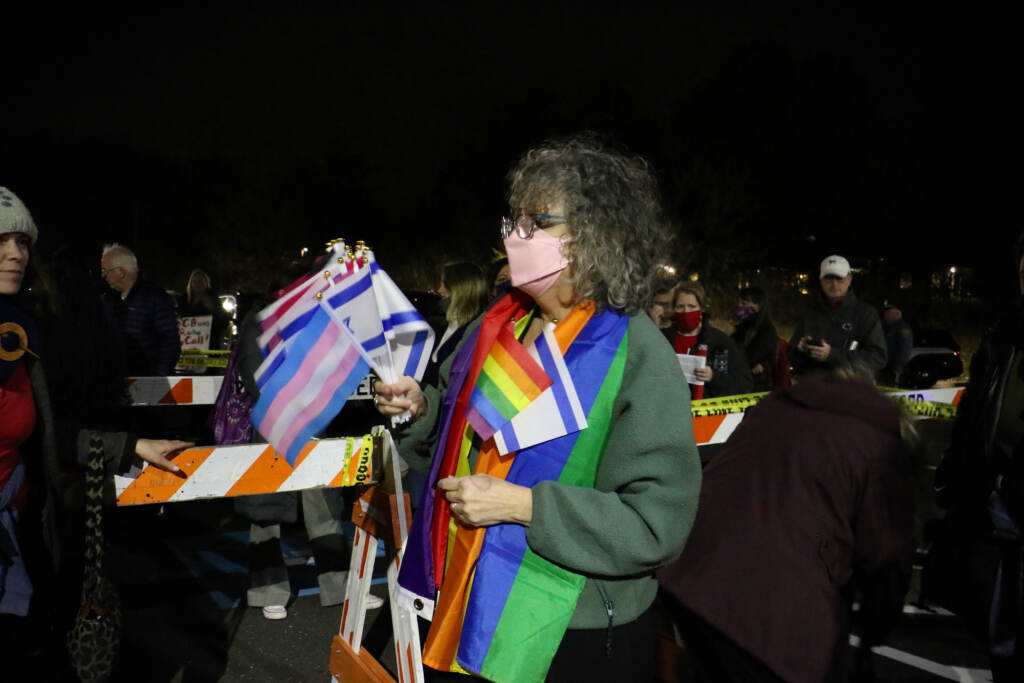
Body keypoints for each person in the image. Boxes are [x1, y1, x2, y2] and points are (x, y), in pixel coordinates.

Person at [374, 135, 701, 682]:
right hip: (463, 598)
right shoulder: (498, 327)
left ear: (592, 239)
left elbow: (655, 525)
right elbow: (459, 441)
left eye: (535, 223)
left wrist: (524, 507)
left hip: (571, 628)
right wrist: (418, 409)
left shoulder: (638, 352)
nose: (512, 236)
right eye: (513, 221)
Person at [1, 187, 189, 672]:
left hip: (18, 528)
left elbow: (49, 431)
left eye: (22, 241)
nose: (16, 253)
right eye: (1, 240)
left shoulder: (20, 336)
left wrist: (132, 444)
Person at [658, 369, 916, 682]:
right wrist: (877, 626)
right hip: (771, 619)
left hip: (686, 572)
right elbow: (886, 558)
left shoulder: (775, 407)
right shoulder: (881, 448)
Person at [926, 234, 1024, 681]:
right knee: (999, 611)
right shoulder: (1004, 334)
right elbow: (977, 409)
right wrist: (957, 465)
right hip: (1000, 489)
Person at [788, 255, 886, 378]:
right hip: (814, 390)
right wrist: (800, 350)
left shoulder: (865, 313)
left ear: (849, 280)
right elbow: (791, 356)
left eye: (839, 279)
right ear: (821, 281)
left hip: (852, 391)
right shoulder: (809, 313)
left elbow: (878, 358)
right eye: (828, 279)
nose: (834, 285)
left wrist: (832, 355)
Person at [100, 243, 181, 376]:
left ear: (120, 272)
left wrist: (155, 380)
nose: (103, 276)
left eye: (105, 271)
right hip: (116, 384)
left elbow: (170, 342)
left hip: (149, 383)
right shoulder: (108, 301)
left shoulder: (155, 297)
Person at [664, 282, 753, 399]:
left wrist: (713, 377)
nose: (686, 312)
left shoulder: (720, 341)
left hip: (704, 412)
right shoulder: (662, 339)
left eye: (692, 306)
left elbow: (744, 383)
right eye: (680, 307)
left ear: (702, 308)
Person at [421, 262, 490, 390]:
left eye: (444, 285)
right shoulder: (444, 326)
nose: (439, 290)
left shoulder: (477, 329)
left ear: (461, 288)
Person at [730, 286, 778, 392]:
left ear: (758, 306)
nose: (739, 306)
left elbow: (749, 359)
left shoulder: (766, 331)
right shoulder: (743, 328)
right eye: (739, 303)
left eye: (744, 303)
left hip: (756, 386)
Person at [880, 301, 913, 385]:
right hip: (886, 368)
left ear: (898, 313)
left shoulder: (902, 328)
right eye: (885, 313)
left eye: (889, 312)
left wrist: (897, 370)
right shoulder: (890, 328)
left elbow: (905, 350)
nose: (885, 315)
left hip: (894, 370)